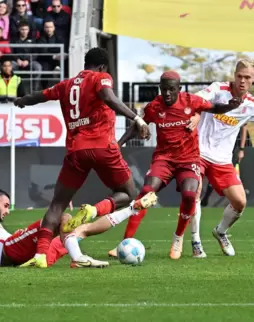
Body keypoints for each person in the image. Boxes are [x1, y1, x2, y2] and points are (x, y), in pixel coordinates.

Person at [13, 47, 151, 268]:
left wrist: (22, 100)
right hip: (103, 147)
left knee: (57, 204)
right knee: (130, 194)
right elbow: (107, 96)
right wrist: (137, 118)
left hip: (76, 150)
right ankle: (94, 210)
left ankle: (40, 255)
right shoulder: (101, 78)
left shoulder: (65, 85)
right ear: (103, 67)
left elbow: (40, 96)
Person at [107, 71, 243, 260]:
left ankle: (178, 238)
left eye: (172, 89)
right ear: (160, 89)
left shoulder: (191, 101)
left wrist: (229, 106)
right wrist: (119, 144)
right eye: (164, 89)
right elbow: (137, 126)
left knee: (189, 195)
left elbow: (214, 108)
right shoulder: (154, 106)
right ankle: (125, 242)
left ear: (179, 89)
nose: (167, 93)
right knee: (146, 191)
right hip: (164, 159)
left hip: (188, 160)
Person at [185, 59, 254, 258]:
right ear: (234, 75)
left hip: (222, 160)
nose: (242, 81)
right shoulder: (218, 89)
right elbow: (193, 100)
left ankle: (220, 231)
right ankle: (196, 241)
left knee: (240, 202)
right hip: (198, 152)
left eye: (247, 77)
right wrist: (196, 114)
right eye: (239, 76)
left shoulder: (252, 105)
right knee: (194, 193)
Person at [0, 178, 109, 268]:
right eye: (5, 205)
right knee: (57, 217)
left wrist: (18, 235)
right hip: (6, 250)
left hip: (11, 253)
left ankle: (128, 209)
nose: (8, 211)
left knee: (70, 227)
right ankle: (76, 257)